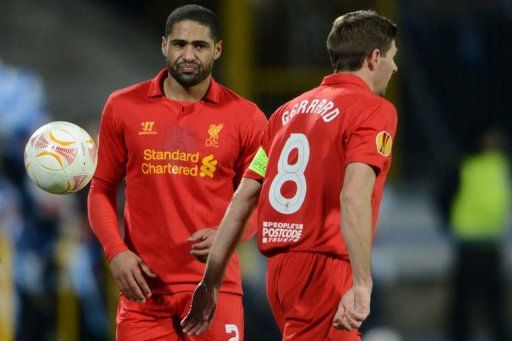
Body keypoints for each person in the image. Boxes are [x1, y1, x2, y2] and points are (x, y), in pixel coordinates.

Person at [182, 10, 398, 340]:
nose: (395, 68)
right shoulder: (373, 109)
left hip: (280, 272)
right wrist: (362, 282)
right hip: (324, 270)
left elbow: (243, 198)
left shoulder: (285, 113)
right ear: (374, 57)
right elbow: (354, 195)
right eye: (393, 57)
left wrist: (209, 281)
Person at [87, 4, 266, 340]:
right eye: (180, 44)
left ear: (218, 49)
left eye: (199, 46)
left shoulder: (248, 118)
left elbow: (261, 201)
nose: (188, 54)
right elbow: (101, 188)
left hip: (215, 290)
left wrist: (229, 237)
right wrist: (116, 252)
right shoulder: (122, 107)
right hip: (143, 295)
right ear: (164, 45)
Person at [445, 128, 510, 341]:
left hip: (492, 241)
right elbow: (444, 196)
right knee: (464, 300)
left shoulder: (501, 164)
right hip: (468, 242)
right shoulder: (464, 165)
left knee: (494, 301)